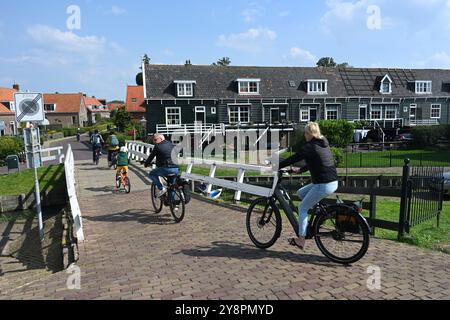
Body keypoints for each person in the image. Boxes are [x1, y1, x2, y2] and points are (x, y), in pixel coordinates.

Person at [279, 122, 339, 250]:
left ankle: (301, 240)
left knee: (302, 208)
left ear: (309, 134)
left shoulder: (310, 146)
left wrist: (277, 165)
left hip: (323, 184)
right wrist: (299, 171)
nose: (304, 136)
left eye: (305, 133)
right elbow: (316, 161)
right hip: (331, 182)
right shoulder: (323, 142)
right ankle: (318, 215)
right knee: (301, 193)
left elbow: (294, 157)